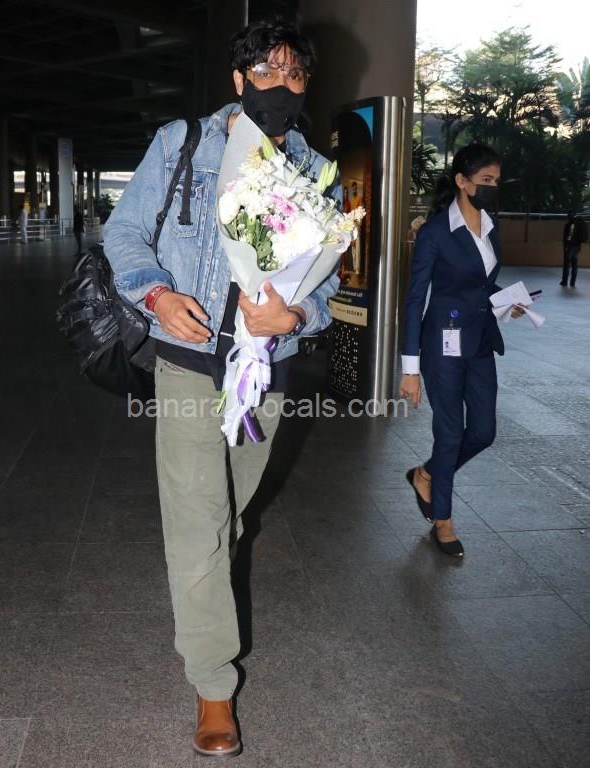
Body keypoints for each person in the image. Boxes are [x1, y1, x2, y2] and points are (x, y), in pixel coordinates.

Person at [103, 19, 338, 757]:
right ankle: (213, 686)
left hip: (264, 370)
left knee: (230, 516)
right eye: (266, 73)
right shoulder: (184, 145)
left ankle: (201, 591)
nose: (281, 88)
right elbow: (123, 234)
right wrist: (156, 294)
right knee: (197, 518)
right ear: (239, 80)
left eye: (294, 76)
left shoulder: (313, 171)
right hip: (188, 362)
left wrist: (296, 313)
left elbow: (328, 287)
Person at [399, 144, 524, 558]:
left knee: (484, 432)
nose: (492, 187)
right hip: (442, 345)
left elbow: (481, 284)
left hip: (481, 342)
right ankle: (443, 520)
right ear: (462, 181)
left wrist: (507, 302)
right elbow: (415, 299)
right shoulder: (436, 232)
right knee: (450, 433)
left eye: (496, 181)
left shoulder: (491, 224)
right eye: (486, 180)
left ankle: (427, 474)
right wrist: (410, 369)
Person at [560, 211, 587, 288]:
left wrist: (566, 245)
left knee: (566, 264)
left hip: (570, 247)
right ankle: (572, 282)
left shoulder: (571, 224)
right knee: (574, 265)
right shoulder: (579, 223)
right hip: (577, 247)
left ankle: (565, 281)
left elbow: (569, 236)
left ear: (569, 216)